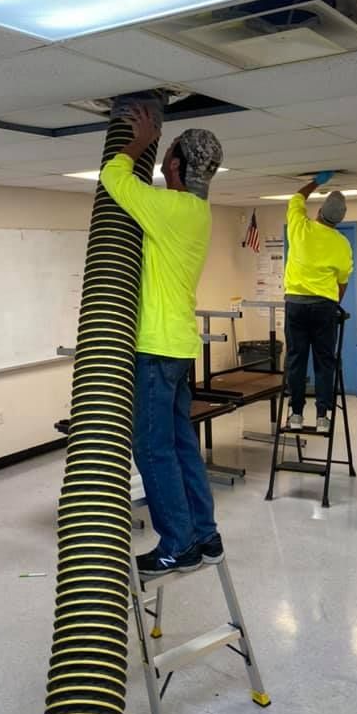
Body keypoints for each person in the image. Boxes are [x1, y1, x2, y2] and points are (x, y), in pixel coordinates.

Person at [100, 101, 223, 578]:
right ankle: (205, 534)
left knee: (153, 449)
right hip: (177, 347)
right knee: (180, 445)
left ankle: (177, 544)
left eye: (166, 153)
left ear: (172, 163)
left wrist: (135, 143)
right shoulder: (196, 211)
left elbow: (115, 178)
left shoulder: (170, 209)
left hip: (155, 348)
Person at [283, 172, 353, 433]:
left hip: (296, 304)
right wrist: (334, 303)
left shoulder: (300, 227)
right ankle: (323, 416)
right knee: (325, 361)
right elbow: (343, 281)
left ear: (320, 212)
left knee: (296, 359)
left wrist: (315, 182)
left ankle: (296, 414)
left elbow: (297, 198)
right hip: (324, 305)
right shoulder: (342, 243)